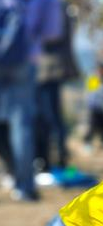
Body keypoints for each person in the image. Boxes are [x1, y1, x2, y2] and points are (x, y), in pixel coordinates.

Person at [0, 0, 63, 201]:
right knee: (22, 126)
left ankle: (11, 173)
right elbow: (52, 32)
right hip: (25, 60)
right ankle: (24, 187)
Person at [35, 0, 79, 171]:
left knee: (49, 117)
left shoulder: (55, 7)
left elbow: (52, 36)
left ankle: (55, 160)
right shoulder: (61, 7)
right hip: (49, 70)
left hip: (48, 70)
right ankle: (55, 158)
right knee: (51, 117)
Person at [84, 60, 103, 150]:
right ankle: (88, 143)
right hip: (94, 106)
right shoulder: (93, 78)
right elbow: (92, 92)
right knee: (92, 126)